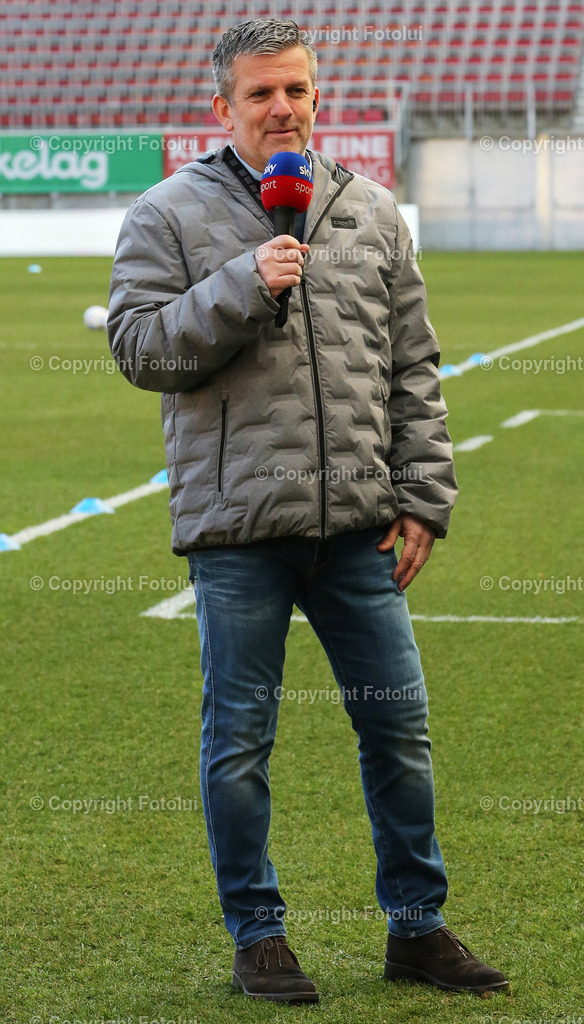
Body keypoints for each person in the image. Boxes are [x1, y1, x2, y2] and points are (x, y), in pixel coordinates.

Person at [108, 17, 508, 1005]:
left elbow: (413, 365)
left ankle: (415, 927)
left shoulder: (371, 211)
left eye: (294, 89)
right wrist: (243, 282)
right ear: (222, 106)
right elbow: (138, 347)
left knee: (399, 733)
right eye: (259, 94)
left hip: (357, 530)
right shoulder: (165, 213)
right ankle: (259, 934)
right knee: (239, 740)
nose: (280, 107)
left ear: (313, 93)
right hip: (238, 533)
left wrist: (422, 496)